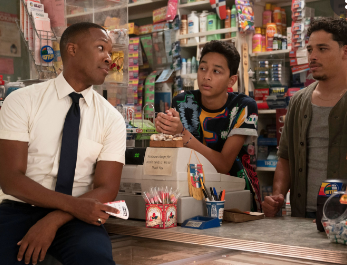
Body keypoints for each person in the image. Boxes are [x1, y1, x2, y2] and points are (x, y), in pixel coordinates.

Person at [0, 22, 126, 264]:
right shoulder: (22, 101)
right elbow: (11, 179)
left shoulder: (112, 119)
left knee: (95, 258)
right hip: (20, 208)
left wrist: (55, 218)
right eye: (101, 48)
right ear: (72, 49)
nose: (109, 58)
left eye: (110, 52)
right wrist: (73, 206)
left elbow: (107, 188)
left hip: (78, 218)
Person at [262, 18, 347, 218]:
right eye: (310, 49)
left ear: (346, 51)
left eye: (322, 49)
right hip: (302, 215)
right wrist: (277, 196)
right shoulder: (298, 101)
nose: (313, 56)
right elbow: (285, 157)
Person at [155, 40, 261, 211]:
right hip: (190, 191)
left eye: (216, 71)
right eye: (203, 68)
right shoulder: (182, 101)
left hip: (234, 195)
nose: (207, 76)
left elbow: (224, 164)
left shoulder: (243, 107)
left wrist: (183, 135)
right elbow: (175, 153)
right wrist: (163, 128)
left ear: (231, 80)